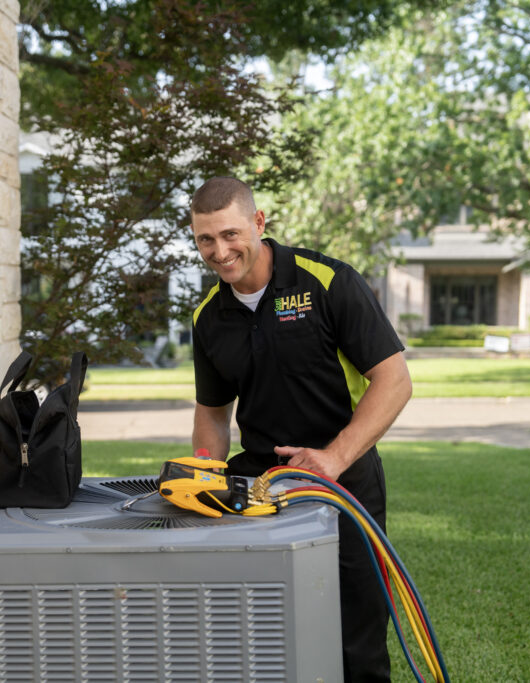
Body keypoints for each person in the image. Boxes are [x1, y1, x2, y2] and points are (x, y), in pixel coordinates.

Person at [189, 177, 412, 682]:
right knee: (262, 632)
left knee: (357, 636)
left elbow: (394, 381)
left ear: (258, 223)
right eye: (205, 239)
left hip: (344, 485)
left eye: (229, 234)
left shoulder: (327, 282)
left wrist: (332, 459)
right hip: (259, 491)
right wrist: (203, 478)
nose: (219, 252)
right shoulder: (208, 318)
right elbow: (213, 412)